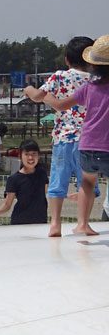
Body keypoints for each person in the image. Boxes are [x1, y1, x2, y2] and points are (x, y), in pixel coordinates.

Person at [23, 36, 96, 236]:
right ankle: (84, 223)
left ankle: (55, 223)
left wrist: (28, 89)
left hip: (63, 137)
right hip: (89, 139)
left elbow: (38, 96)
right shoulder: (96, 80)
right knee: (87, 182)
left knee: (58, 180)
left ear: (67, 59)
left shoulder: (60, 76)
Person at [44, 35, 109, 236]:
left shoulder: (87, 87)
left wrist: (47, 97)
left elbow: (61, 104)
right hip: (105, 144)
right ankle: (85, 223)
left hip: (83, 144)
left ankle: (61, 223)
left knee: (79, 182)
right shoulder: (88, 82)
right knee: (88, 182)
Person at [0, 140, 48, 225]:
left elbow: (44, 193)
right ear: (20, 156)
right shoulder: (14, 179)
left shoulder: (42, 173)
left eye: (34, 154)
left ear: (38, 156)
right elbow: (7, 204)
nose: (30, 157)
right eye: (27, 154)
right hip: (20, 221)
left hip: (41, 221)